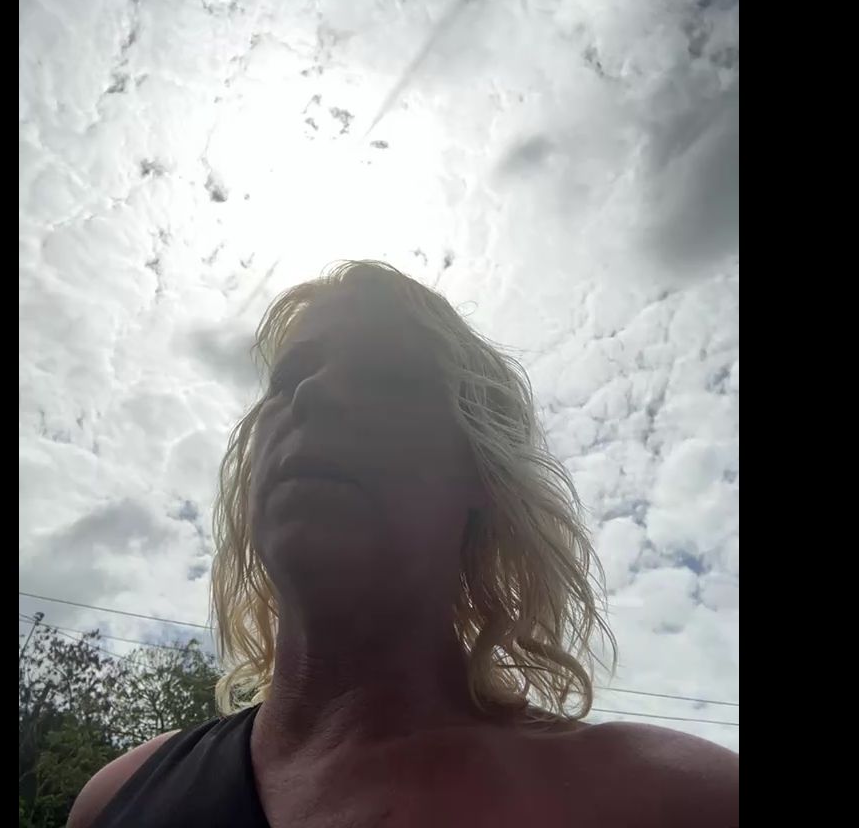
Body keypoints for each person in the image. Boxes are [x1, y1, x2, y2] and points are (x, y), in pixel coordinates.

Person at [70, 260, 739, 827]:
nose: (311, 393)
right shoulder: (112, 798)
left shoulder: (673, 799)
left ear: (482, 474)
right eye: (289, 376)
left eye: (388, 376)